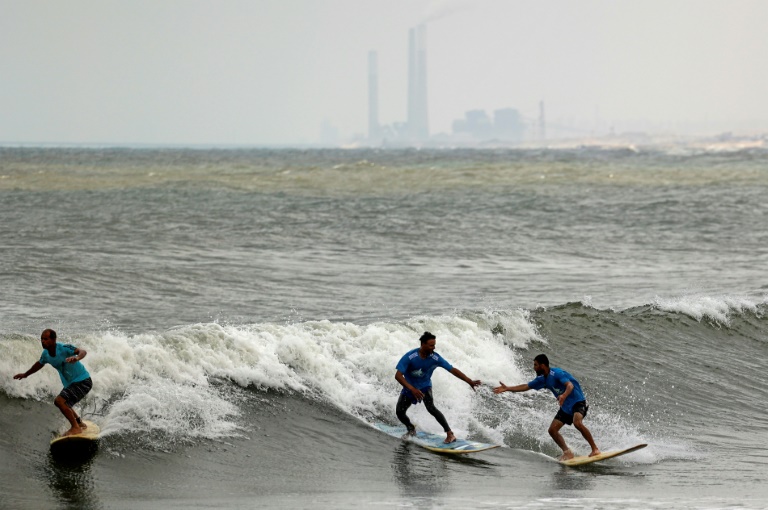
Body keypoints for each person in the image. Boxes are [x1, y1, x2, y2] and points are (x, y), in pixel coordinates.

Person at [493, 354, 600, 460]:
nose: (534, 367)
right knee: (552, 430)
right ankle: (567, 452)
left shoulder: (557, 373)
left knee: (577, 422)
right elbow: (526, 386)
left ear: (542, 365)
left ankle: (595, 449)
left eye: (535, 365)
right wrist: (507, 388)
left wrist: (563, 395)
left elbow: (570, 385)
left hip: (578, 401)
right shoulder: (542, 379)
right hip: (566, 406)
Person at [395, 331, 481, 444]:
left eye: (434, 345)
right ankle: (411, 428)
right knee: (400, 412)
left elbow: (452, 369)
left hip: (425, 386)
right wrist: (412, 389)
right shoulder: (410, 357)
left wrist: (468, 381)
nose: (433, 348)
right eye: (431, 345)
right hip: (410, 387)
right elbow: (398, 375)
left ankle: (450, 434)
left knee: (431, 408)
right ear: (423, 344)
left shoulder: (435, 358)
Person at [14, 329, 93, 437]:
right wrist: (25, 374)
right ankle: (80, 423)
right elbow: (39, 364)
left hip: (83, 381)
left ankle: (75, 428)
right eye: (42, 339)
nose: (43, 341)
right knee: (64, 403)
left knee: (59, 401)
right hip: (72, 383)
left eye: (46, 339)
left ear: (54, 340)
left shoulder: (64, 348)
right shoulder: (46, 354)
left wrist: (77, 358)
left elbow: (82, 351)